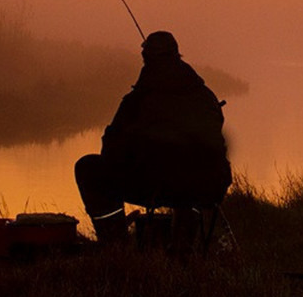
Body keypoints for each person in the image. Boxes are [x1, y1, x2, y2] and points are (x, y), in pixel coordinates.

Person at [75, 30, 231, 245]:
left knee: (87, 167)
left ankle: (116, 245)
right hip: (208, 186)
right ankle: (182, 246)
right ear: (177, 56)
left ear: (146, 58)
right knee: (192, 175)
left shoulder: (136, 101)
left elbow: (110, 150)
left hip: (153, 186)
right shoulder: (205, 97)